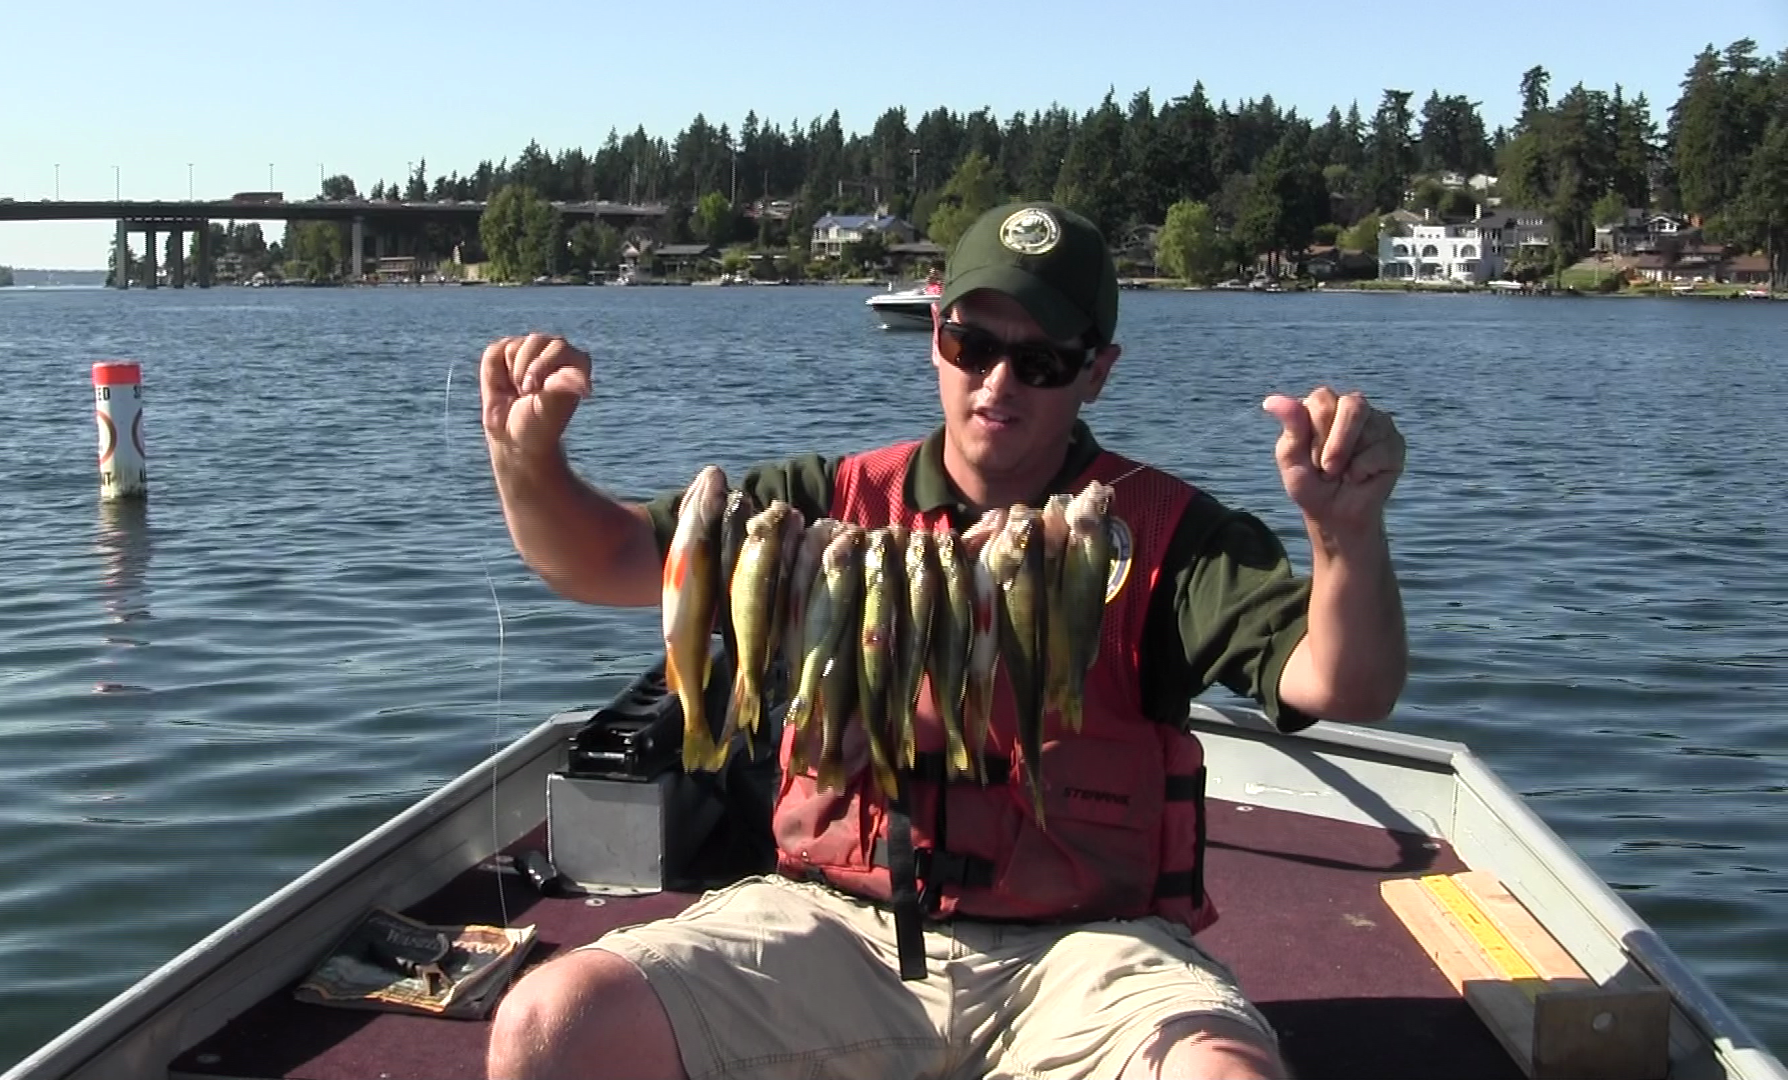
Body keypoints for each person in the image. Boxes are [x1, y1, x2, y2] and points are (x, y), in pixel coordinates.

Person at [477, 201, 1408, 1080]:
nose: (998, 380)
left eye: (1043, 360)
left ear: (1098, 371)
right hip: (838, 923)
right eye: (974, 342)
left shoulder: (1170, 534)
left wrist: (1345, 537)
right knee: (550, 1027)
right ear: (936, 336)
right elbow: (598, 561)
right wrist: (528, 460)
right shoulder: (819, 506)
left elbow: (1346, 684)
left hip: (1087, 947)